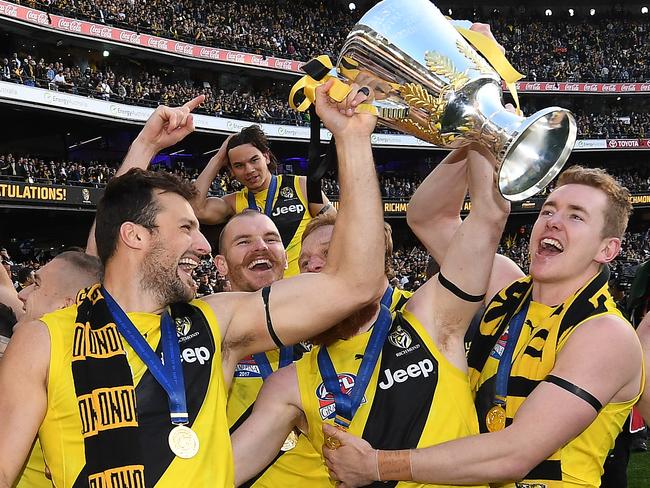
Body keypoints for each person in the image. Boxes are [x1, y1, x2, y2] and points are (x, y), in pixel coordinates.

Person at [0, 78, 386, 488]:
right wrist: (145, 147)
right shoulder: (43, 341)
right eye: (187, 227)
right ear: (135, 236)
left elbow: (355, 283)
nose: (203, 245)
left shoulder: (218, 322)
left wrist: (352, 140)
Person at [322, 151, 644, 488]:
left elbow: (516, 453)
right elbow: (429, 218)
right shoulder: (506, 284)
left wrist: (375, 465)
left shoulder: (606, 332)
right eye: (549, 210)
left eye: (576, 217)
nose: (552, 220)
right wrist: (475, 139)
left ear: (607, 250)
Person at [232, 146, 510, 488]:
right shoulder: (288, 383)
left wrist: (482, 135)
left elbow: (487, 217)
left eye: (330, 252)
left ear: (367, 258)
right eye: (305, 263)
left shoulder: (428, 317)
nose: (316, 264)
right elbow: (220, 472)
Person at [191, 124, 335, 277]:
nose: (249, 170)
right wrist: (218, 158)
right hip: (267, 293)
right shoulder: (234, 203)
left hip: (308, 284)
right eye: (239, 165)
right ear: (231, 171)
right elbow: (196, 209)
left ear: (266, 156)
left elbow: (335, 225)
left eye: (254, 160)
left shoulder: (302, 185)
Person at [11, 251, 103, 488]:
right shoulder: (95, 371)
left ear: (66, 307)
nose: (21, 294)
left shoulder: (39, 370)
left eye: (37, 285)